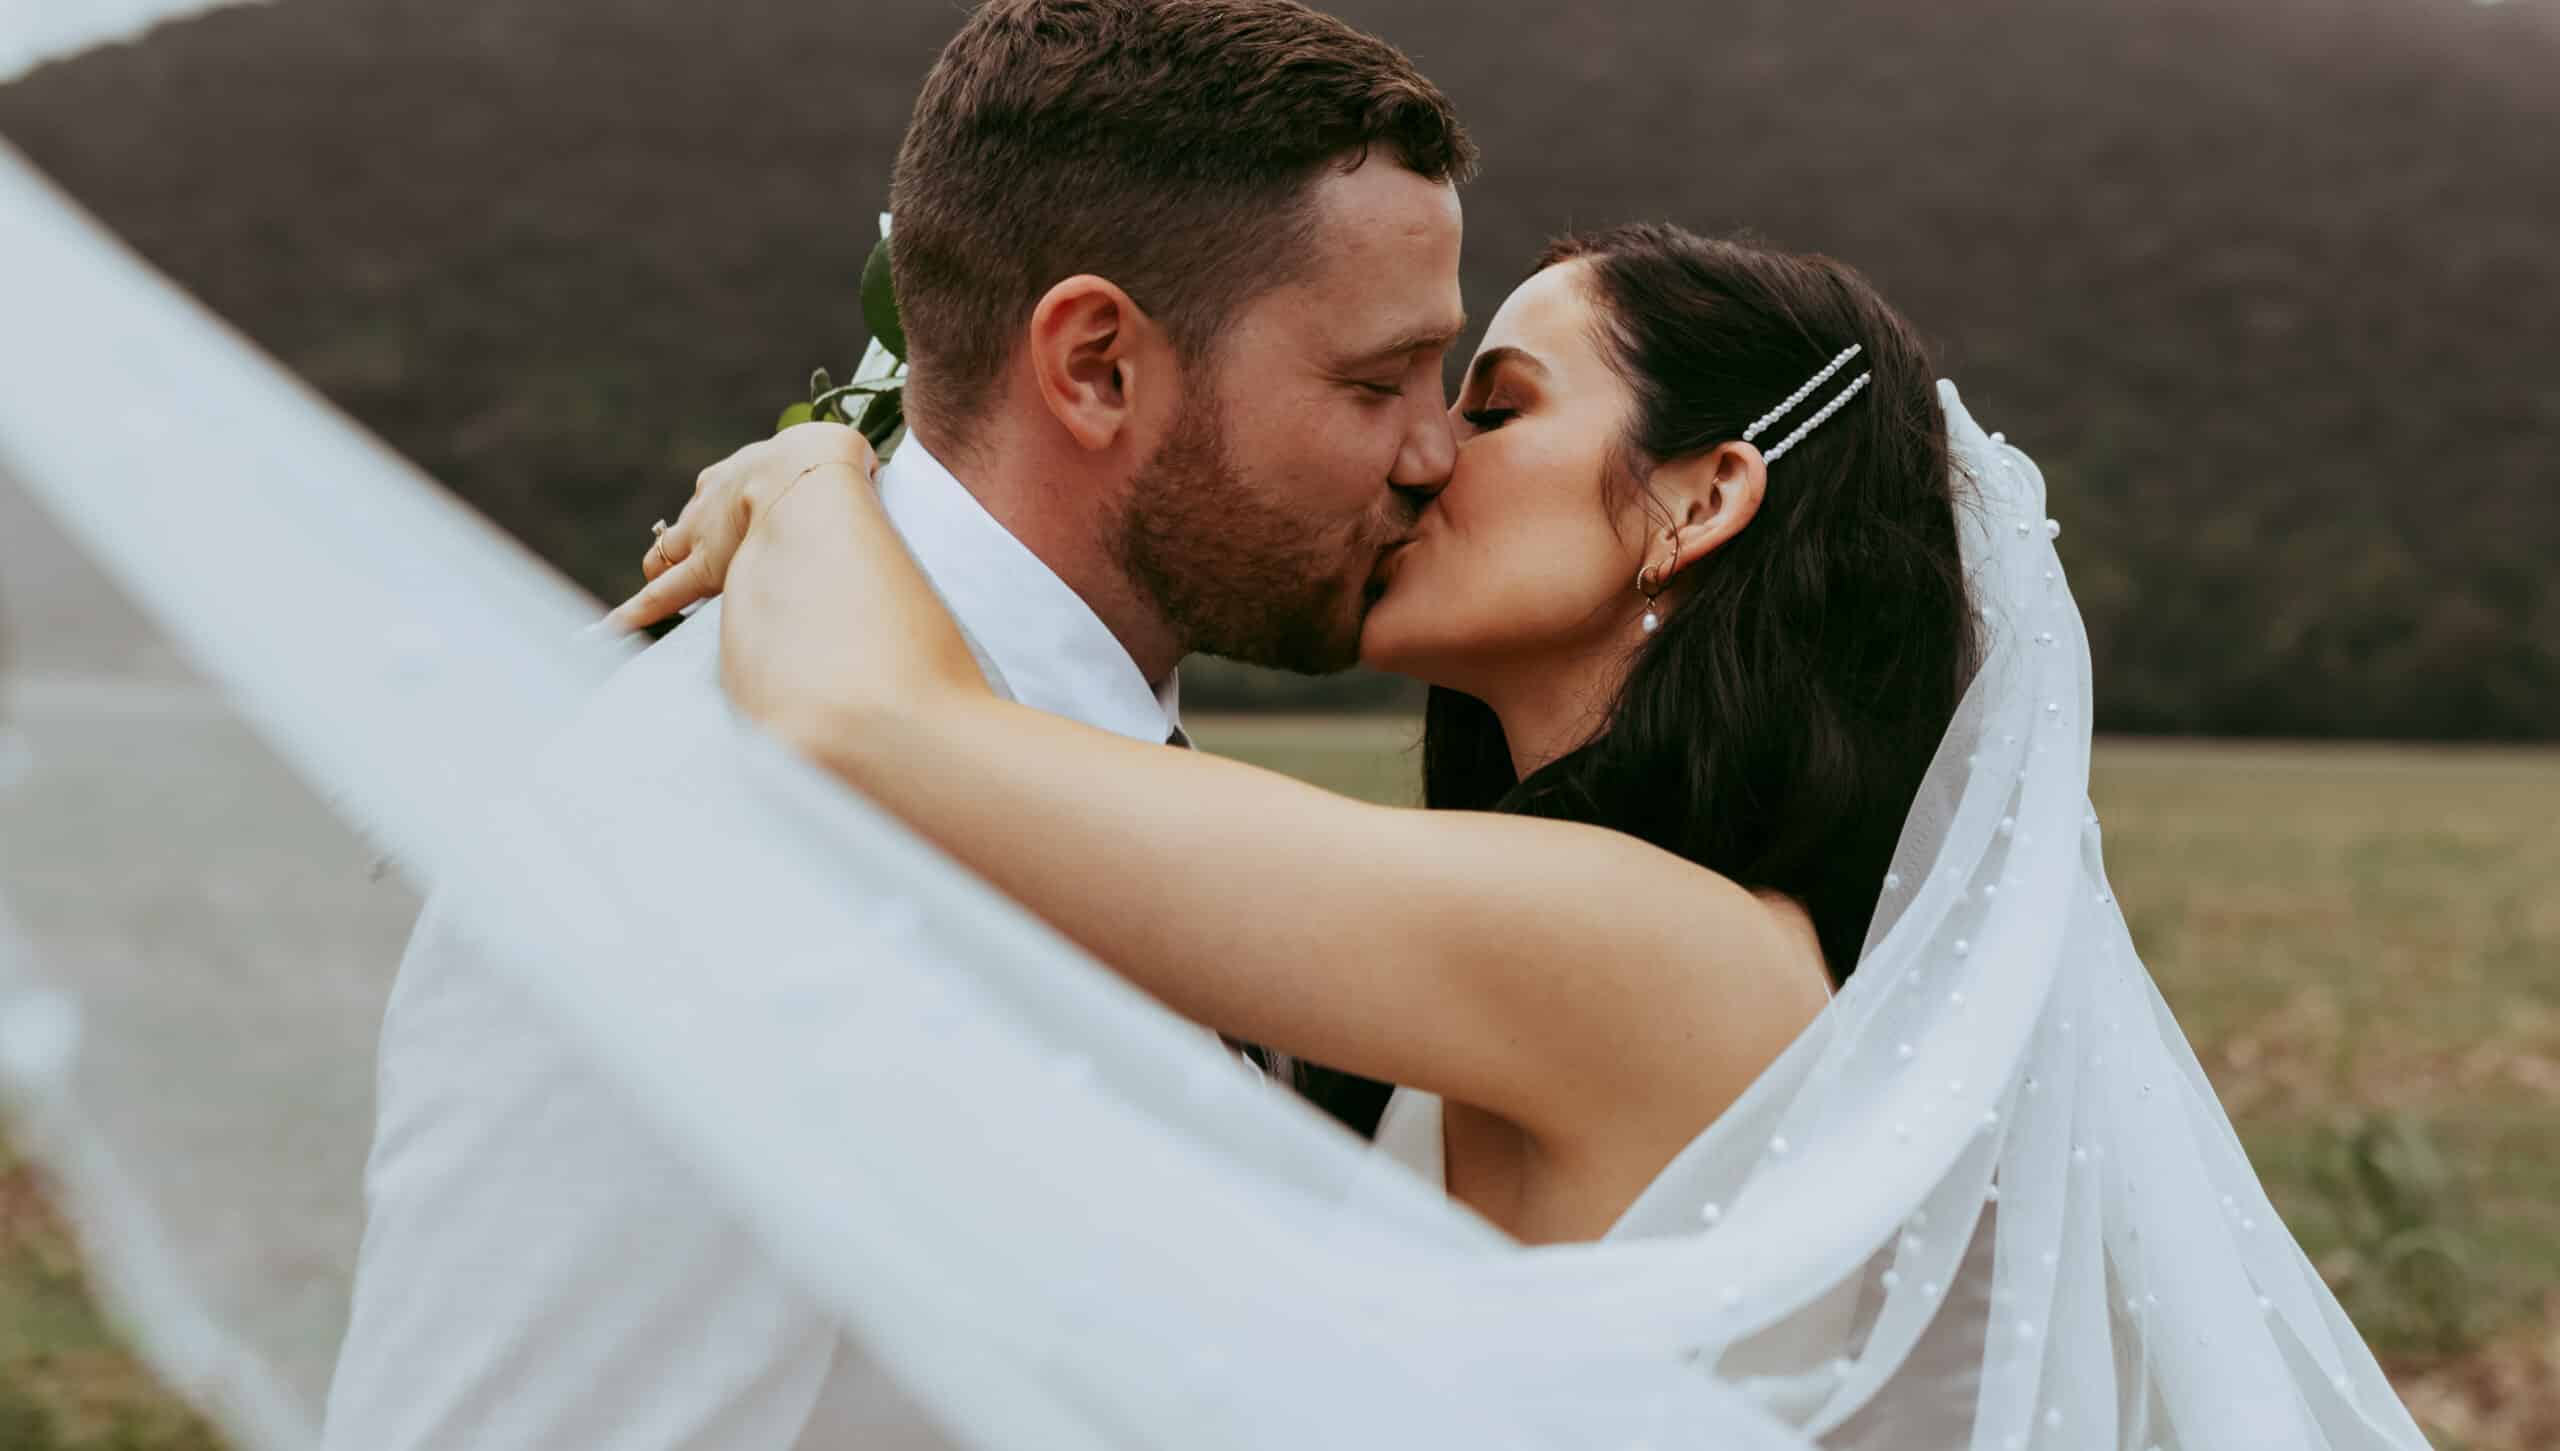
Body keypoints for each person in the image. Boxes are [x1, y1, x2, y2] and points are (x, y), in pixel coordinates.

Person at [623, 224, 2439, 1450]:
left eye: (1494, 404)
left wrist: (813, 473)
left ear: (1701, 496)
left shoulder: (1647, 945)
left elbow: (869, 720)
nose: (1420, 456)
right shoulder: (1572, 931)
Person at [321, 0, 1478, 1450]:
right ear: (1098, 367)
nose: (1437, 452)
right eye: (1383, 380)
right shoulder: (701, 845)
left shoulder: (1114, 772)